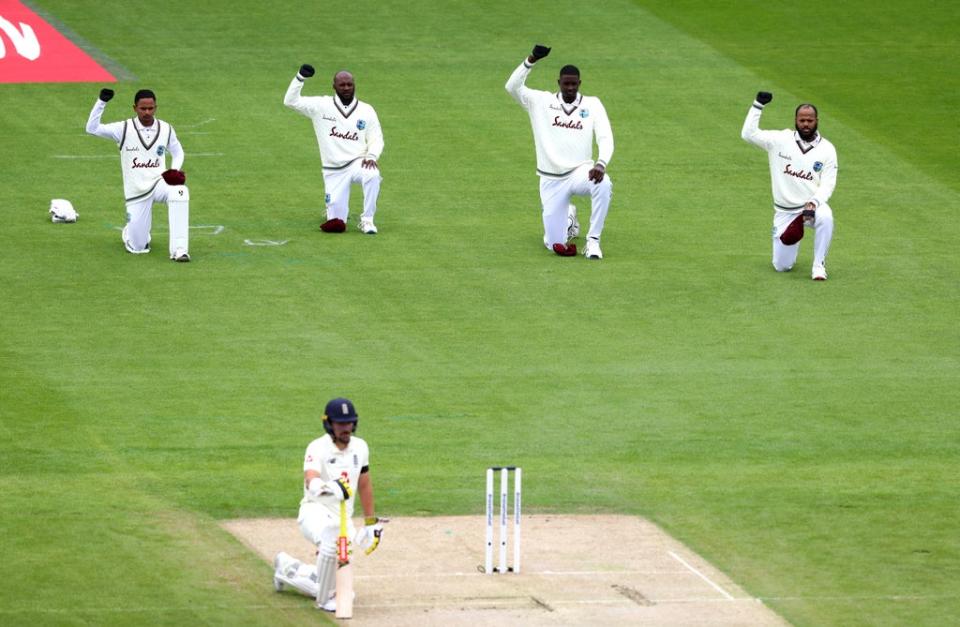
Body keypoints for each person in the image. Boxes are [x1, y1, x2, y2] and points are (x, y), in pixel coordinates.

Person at [273, 397, 384, 612]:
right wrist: (325, 487)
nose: (346, 428)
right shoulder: (317, 447)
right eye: (340, 424)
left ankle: (285, 567)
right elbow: (311, 478)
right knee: (332, 542)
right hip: (314, 512)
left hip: (343, 518)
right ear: (329, 424)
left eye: (349, 423)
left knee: (343, 588)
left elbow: (365, 485)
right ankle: (323, 601)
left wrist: (370, 523)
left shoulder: (360, 447)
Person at [505, 44, 614, 259]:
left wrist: (600, 163)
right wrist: (531, 59)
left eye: (574, 84)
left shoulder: (592, 104)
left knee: (604, 183)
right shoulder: (540, 101)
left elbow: (605, 136)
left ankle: (593, 242)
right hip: (550, 178)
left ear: (580, 83)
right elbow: (512, 87)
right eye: (566, 84)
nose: (571, 88)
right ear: (559, 83)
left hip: (580, 172)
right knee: (553, 243)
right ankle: (569, 221)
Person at [741, 91, 838, 280]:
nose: (806, 124)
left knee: (826, 216)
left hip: (811, 207)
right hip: (785, 212)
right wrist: (757, 106)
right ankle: (795, 227)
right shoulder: (779, 140)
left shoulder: (827, 149)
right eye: (802, 120)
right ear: (796, 120)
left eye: (810, 120)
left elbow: (828, 183)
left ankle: (818, 266)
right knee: (781, 267)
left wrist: (814, 203)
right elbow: (748, 134)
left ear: (816, 120)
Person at [85, 88, 191, 261]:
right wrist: (101, 103)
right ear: (135, 108)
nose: (147, 112)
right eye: (143, 108)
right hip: (136, 191)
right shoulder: (123, 128)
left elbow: (178, 152)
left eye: (151, 108)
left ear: (156, 107)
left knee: (180, 192)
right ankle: (131, 233)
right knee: (139, 247)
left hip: (159, 183)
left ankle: (179, 250)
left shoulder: (166, 128)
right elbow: (92, 128)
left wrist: (174, 170)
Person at [284, 64, 384, 234]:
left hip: (357, 162)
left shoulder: (366, 110)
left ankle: (367, 220)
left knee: (372, 174)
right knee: (337, 223)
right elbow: (290, 101)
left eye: (349, 84)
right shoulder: (321, 106)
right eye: (342, 85)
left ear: (354, 85)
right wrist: (300, 78)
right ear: (334, 86)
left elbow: (376, 138)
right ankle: (332, 209)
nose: (346, 88)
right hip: (333, 170)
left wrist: (372, 156)